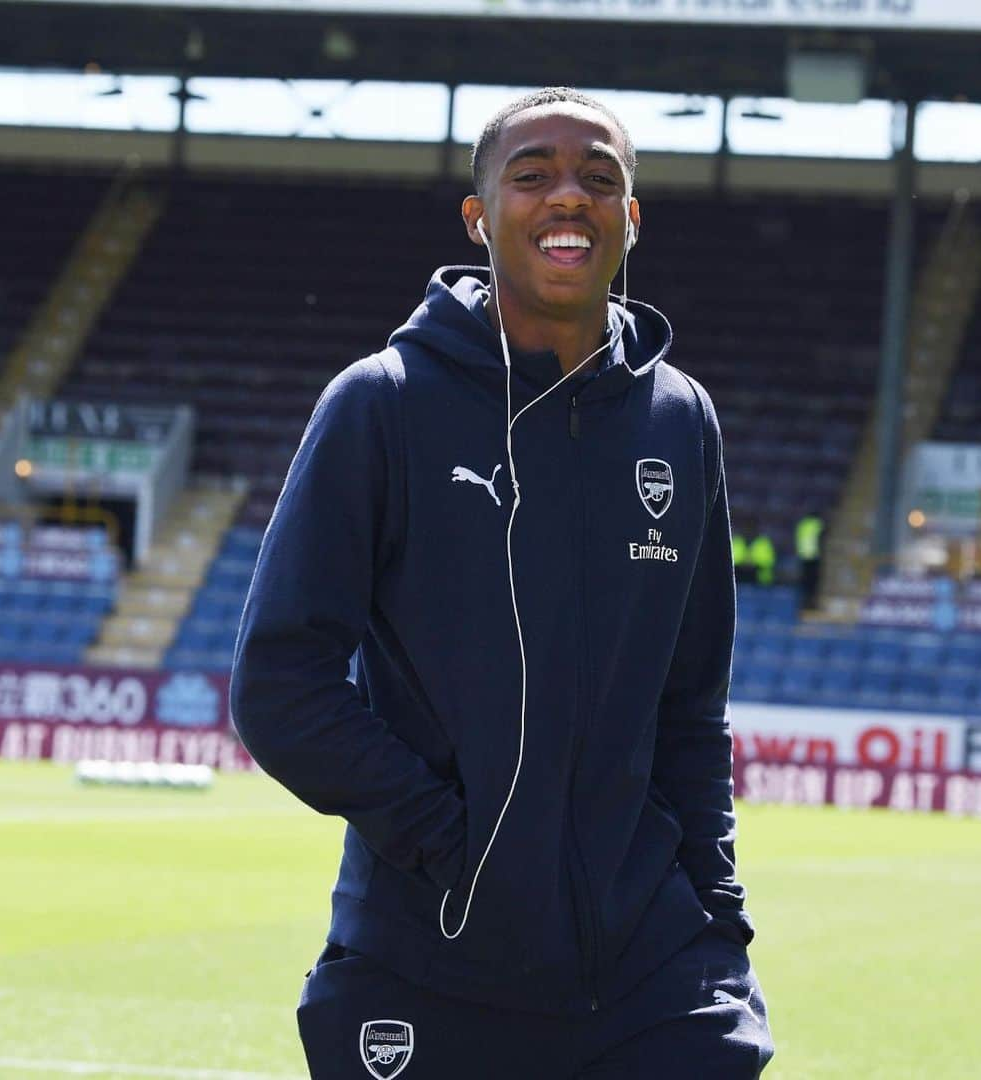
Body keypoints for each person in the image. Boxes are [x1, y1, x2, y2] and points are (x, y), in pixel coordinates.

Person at [231, 86, 773, 1080]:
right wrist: (453, 844)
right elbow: (281, 684)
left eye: (598, 179)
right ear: (479, 218)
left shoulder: (680, 420)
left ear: (631, 219)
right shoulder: (383, 403)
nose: (569, 196)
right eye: (533, 177)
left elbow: (691, 707)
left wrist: (719, 914)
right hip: (430, 963)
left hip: (654, 978)